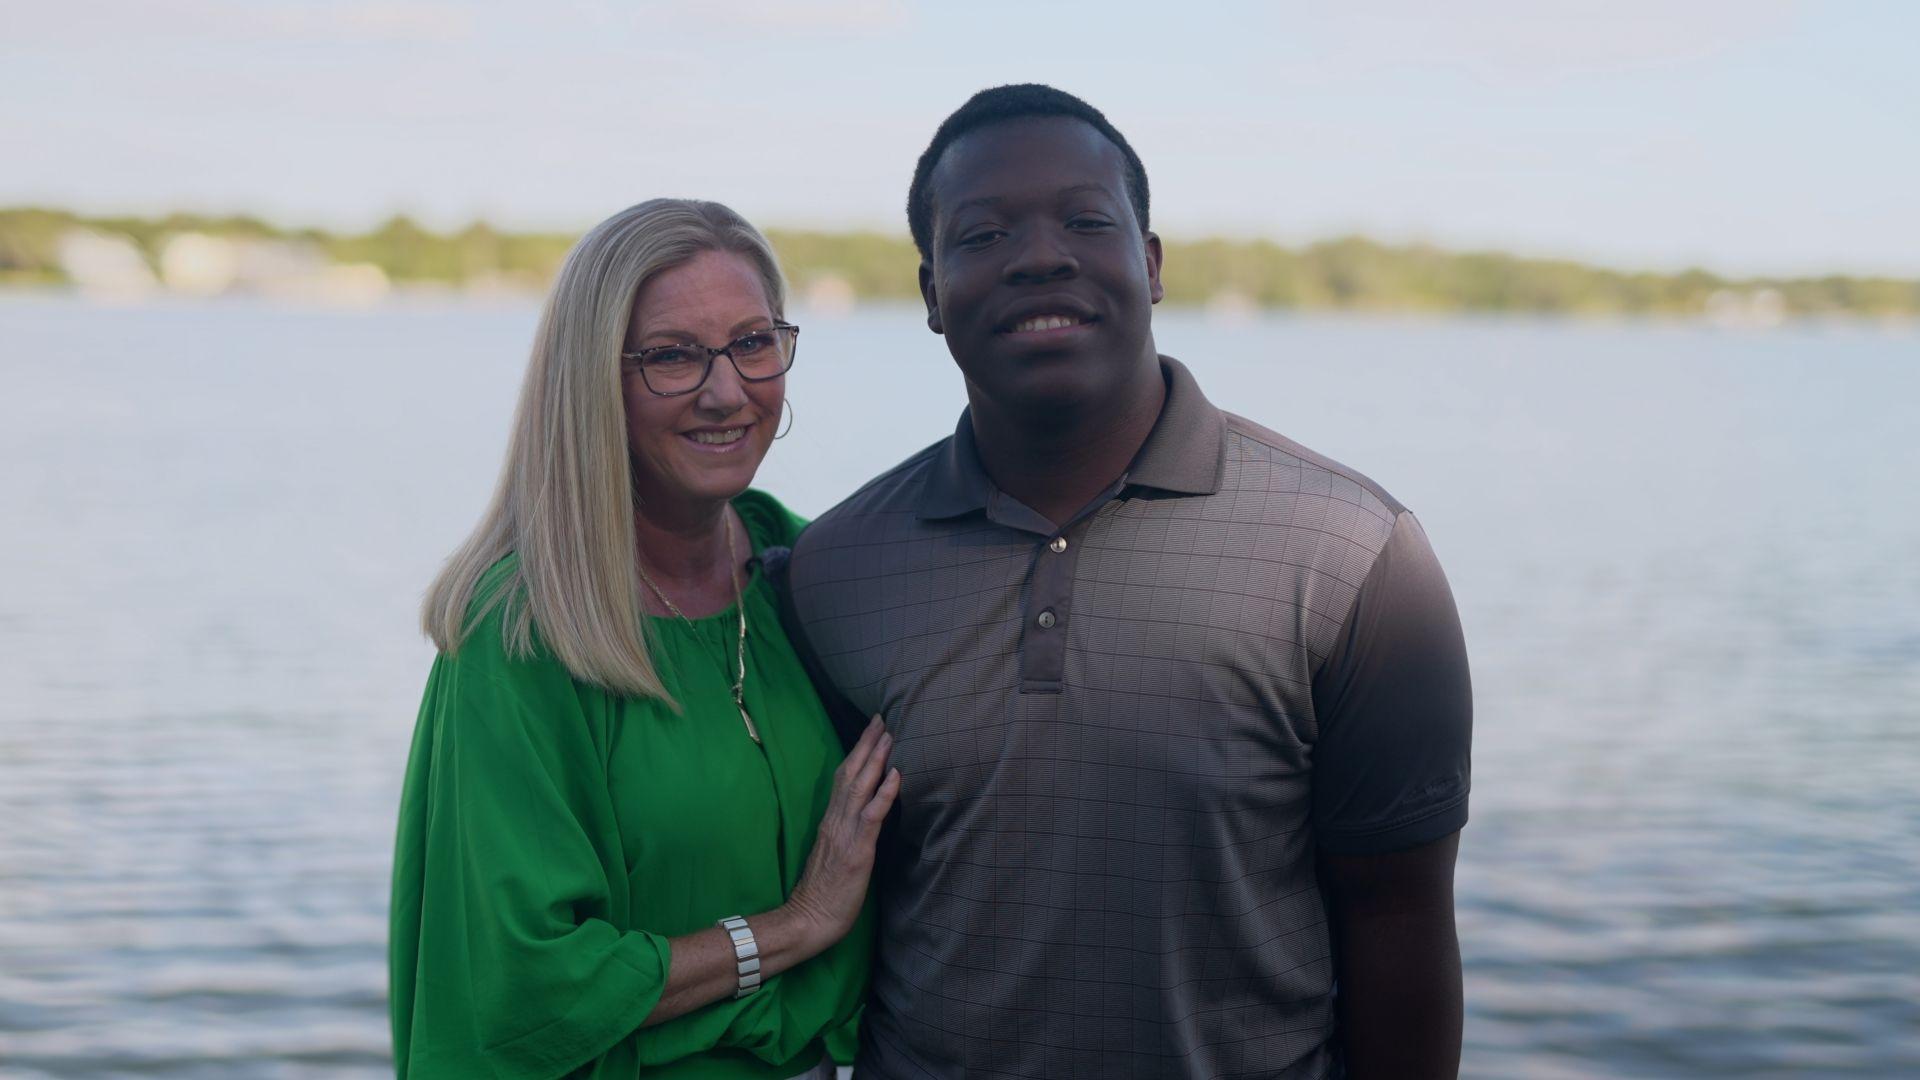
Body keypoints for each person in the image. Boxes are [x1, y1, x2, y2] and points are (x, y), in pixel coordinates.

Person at [779, 85, 1472, 1078]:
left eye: (1086, 221)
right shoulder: (836, 569)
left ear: (1150, 264)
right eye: (983, 235)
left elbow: (1398, 924)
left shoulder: (1353, 555)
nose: (1040, 256)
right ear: (932, 294)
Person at [389, 198, 899, 1080]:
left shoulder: (811, 575)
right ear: (592, 382)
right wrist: (794, 927)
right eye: (671, 356)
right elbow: (514, 990)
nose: (726, 391)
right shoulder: (519, 636)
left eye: (753, 343)